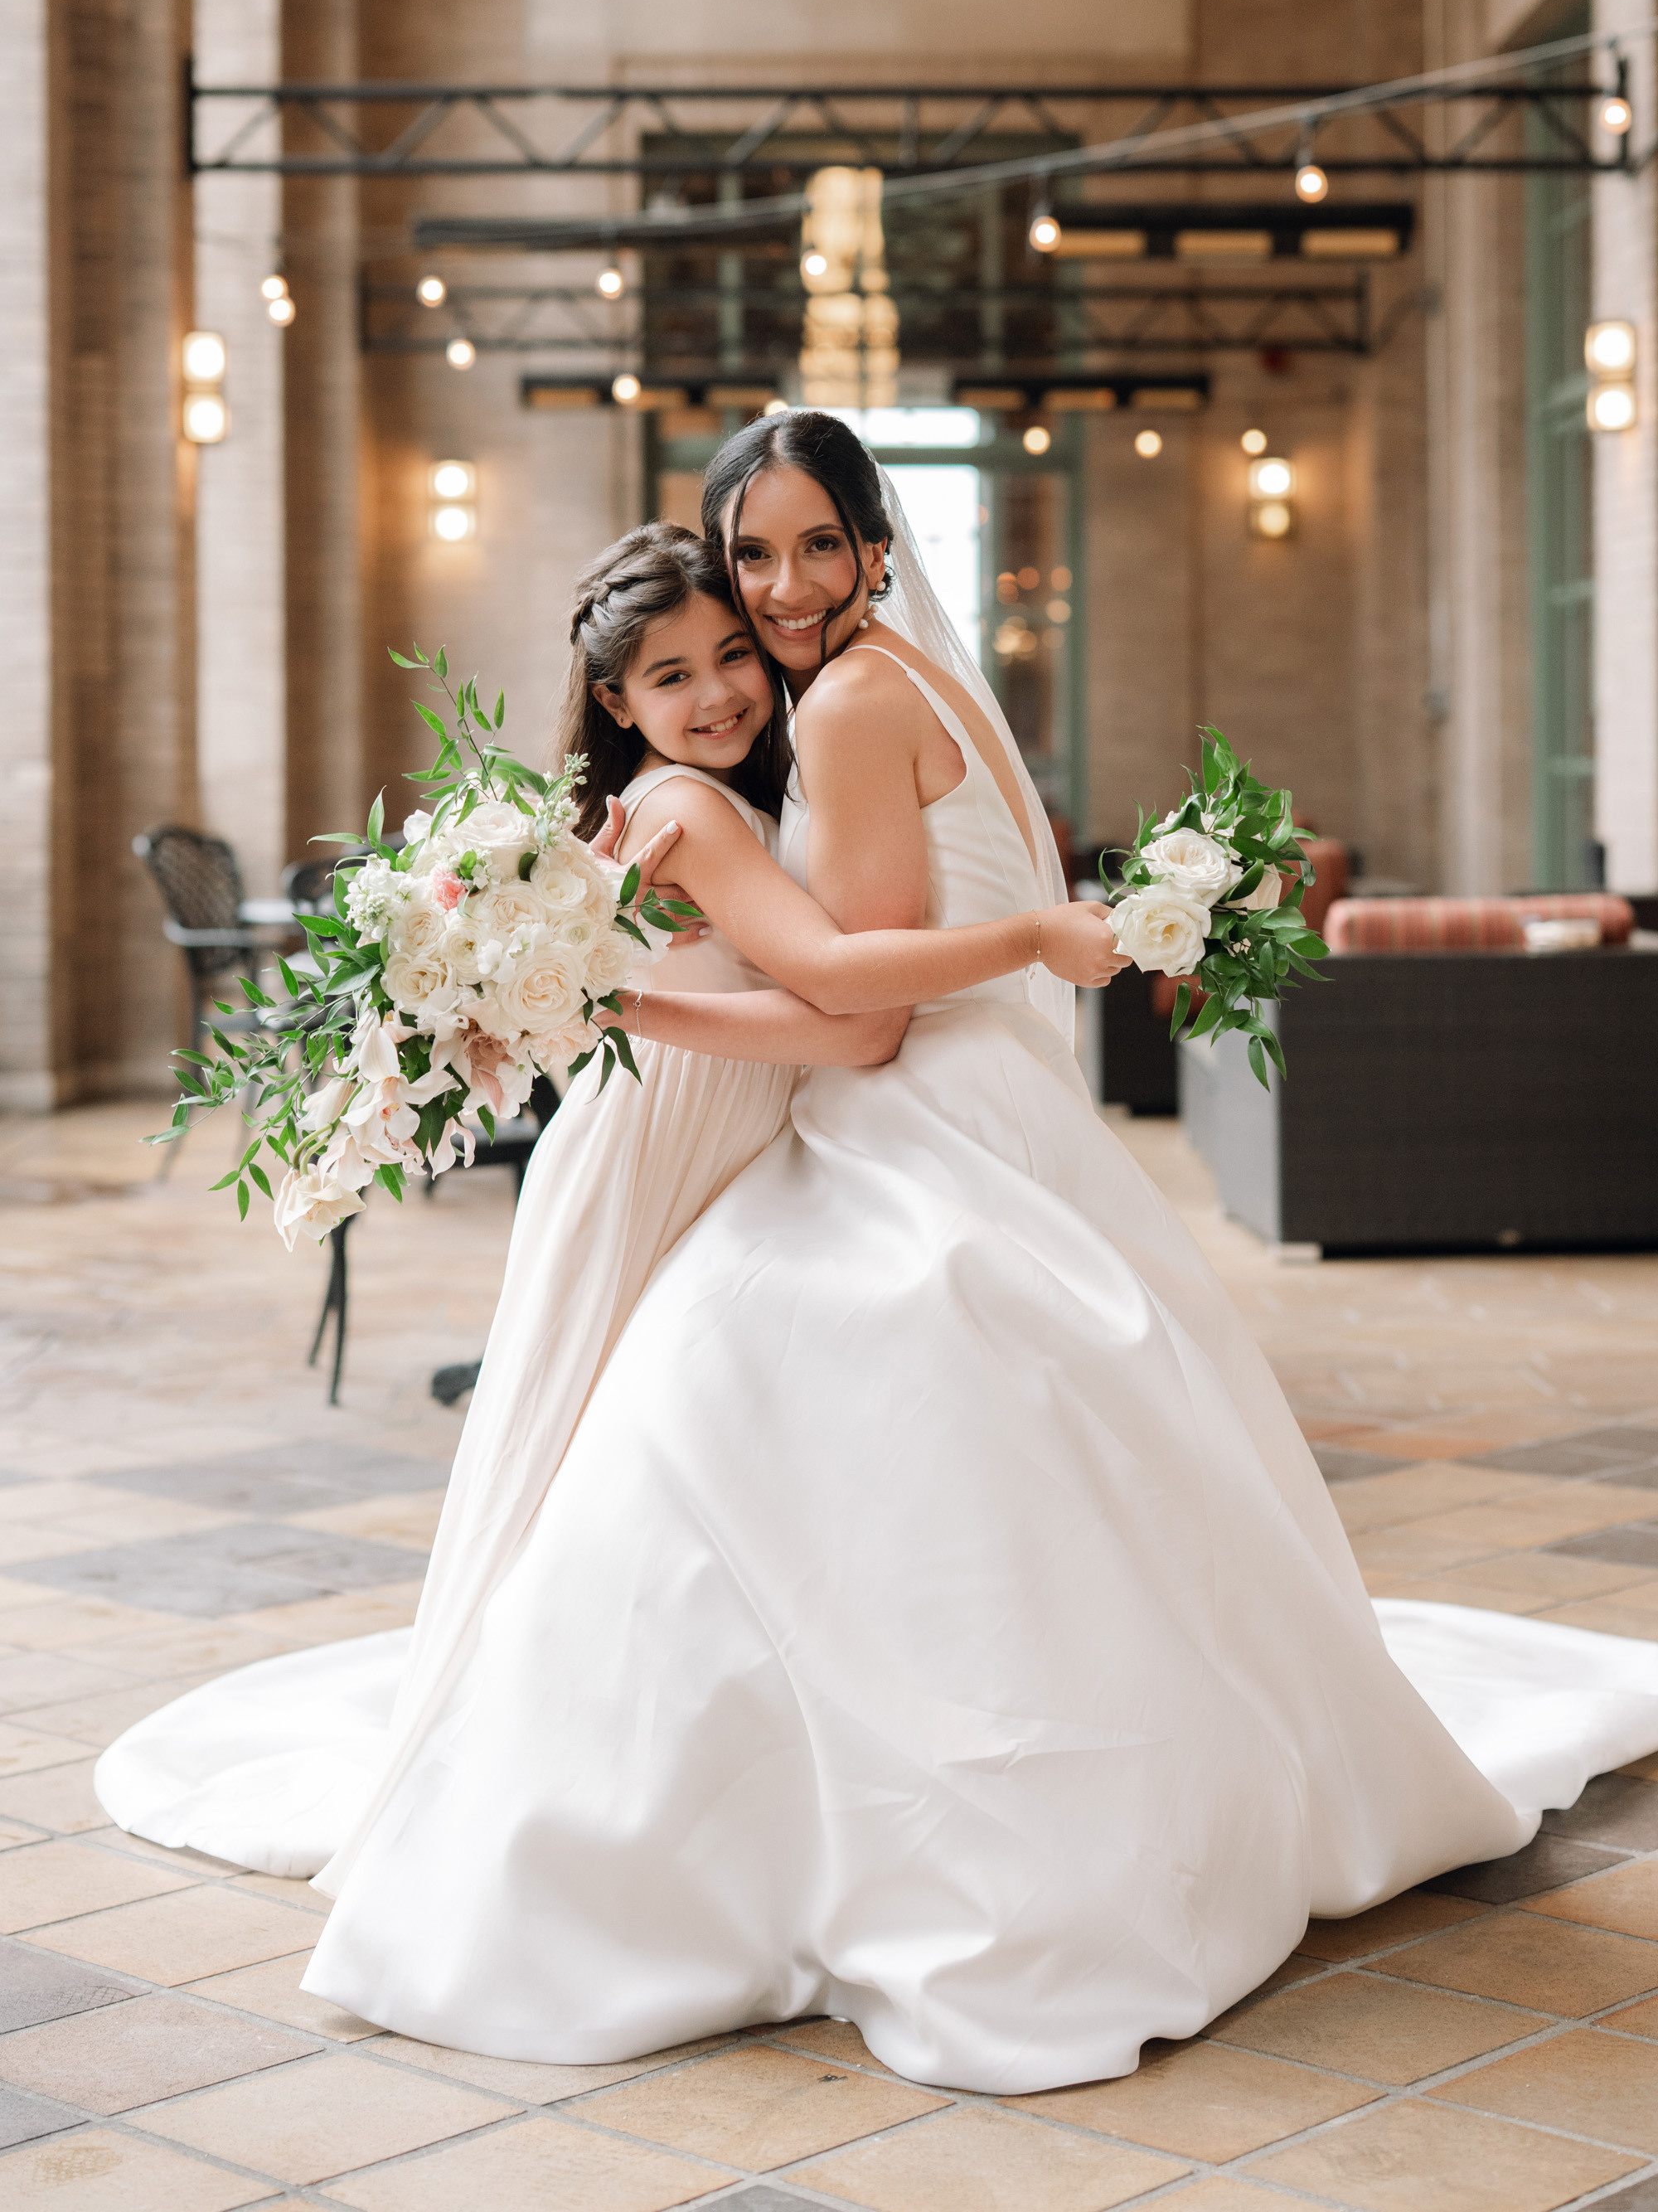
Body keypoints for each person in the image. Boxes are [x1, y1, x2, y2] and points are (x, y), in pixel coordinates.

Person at [290, 412, 1658, 2095]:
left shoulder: (855, 702)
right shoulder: (890, 691)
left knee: (736, 1408)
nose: (777, 598)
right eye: (750, 561)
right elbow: (841, 953)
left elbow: (857, 1009)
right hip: (978, 1111)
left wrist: (606, 991)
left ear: (877, 546)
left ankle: (771, 1842)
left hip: (909, 1133)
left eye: (808, 553)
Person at [95, 517, 1126, 1889]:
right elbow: (830, 987)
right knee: (601, 1434)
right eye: (671, 678)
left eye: (728, 658)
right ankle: (560, 1752)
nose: (716, 695)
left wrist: (603, 1000)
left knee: (616, 1444)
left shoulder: (681, 802)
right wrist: (1027, 940)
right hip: (663, 1140)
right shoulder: (690, 807)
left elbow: (808, 1013)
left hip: (700, 1127)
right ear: (613, 701)